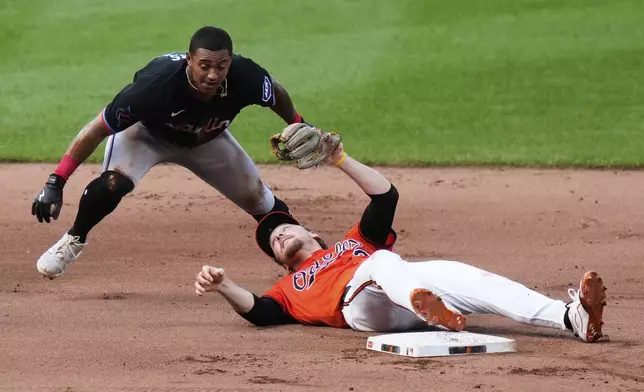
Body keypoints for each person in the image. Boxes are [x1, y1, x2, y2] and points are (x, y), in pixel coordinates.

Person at [194, 141, 607, 343]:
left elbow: (385, 196)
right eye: (272, 241)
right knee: (380, 263)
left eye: (283, 228)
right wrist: (223, 286)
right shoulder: (288, 288)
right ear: (281, 262)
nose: (278, 233)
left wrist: (339, 158)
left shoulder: (354, 241)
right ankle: (425, 304)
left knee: (463, 274)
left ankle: (571, 318)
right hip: (363, 308)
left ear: (314, 234)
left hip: (403, 292)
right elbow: (262, 313)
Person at [32, 26, 310, 279]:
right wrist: (56, 181)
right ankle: (73, 238)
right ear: (189, 60)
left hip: (205, 140)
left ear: (230, 62)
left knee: (260, 200)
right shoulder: (154, 86)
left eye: (221, 66)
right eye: (204, 66)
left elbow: (275, 92)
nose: (213, 74)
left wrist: (298, 124)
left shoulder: (245, 76)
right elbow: (97, 129)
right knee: (113, 183)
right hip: (146, 135)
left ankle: (310, 258)